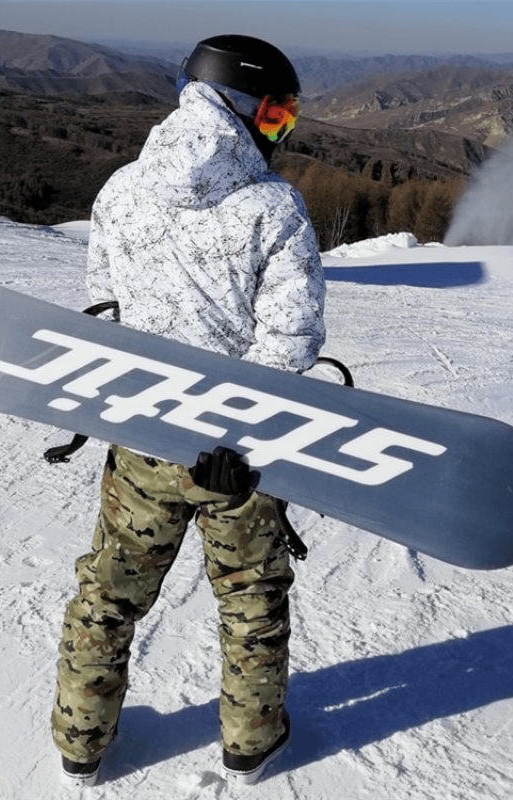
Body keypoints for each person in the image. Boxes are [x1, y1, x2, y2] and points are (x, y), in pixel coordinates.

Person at [51, 34, 326, 787]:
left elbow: (107, 310)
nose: (276, 133)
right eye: (272, 116)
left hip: (144, 435)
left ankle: (81, 741)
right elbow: (292, 343)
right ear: (237, 106)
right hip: (238, 455)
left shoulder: (120, 189)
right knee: (250, 599)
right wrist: (244, 428)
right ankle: (251, 740)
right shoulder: (274, 206)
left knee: (109, 594)